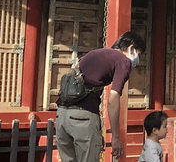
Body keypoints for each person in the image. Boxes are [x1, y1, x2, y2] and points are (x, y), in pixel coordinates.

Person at [57, 31, 145, 162]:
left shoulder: (96, 53)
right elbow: (113, 98)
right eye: (138, 55)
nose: (137, 60)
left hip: (62, 116)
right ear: (131, 48)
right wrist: (115, 137)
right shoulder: (123, 61)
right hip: (83, 118)